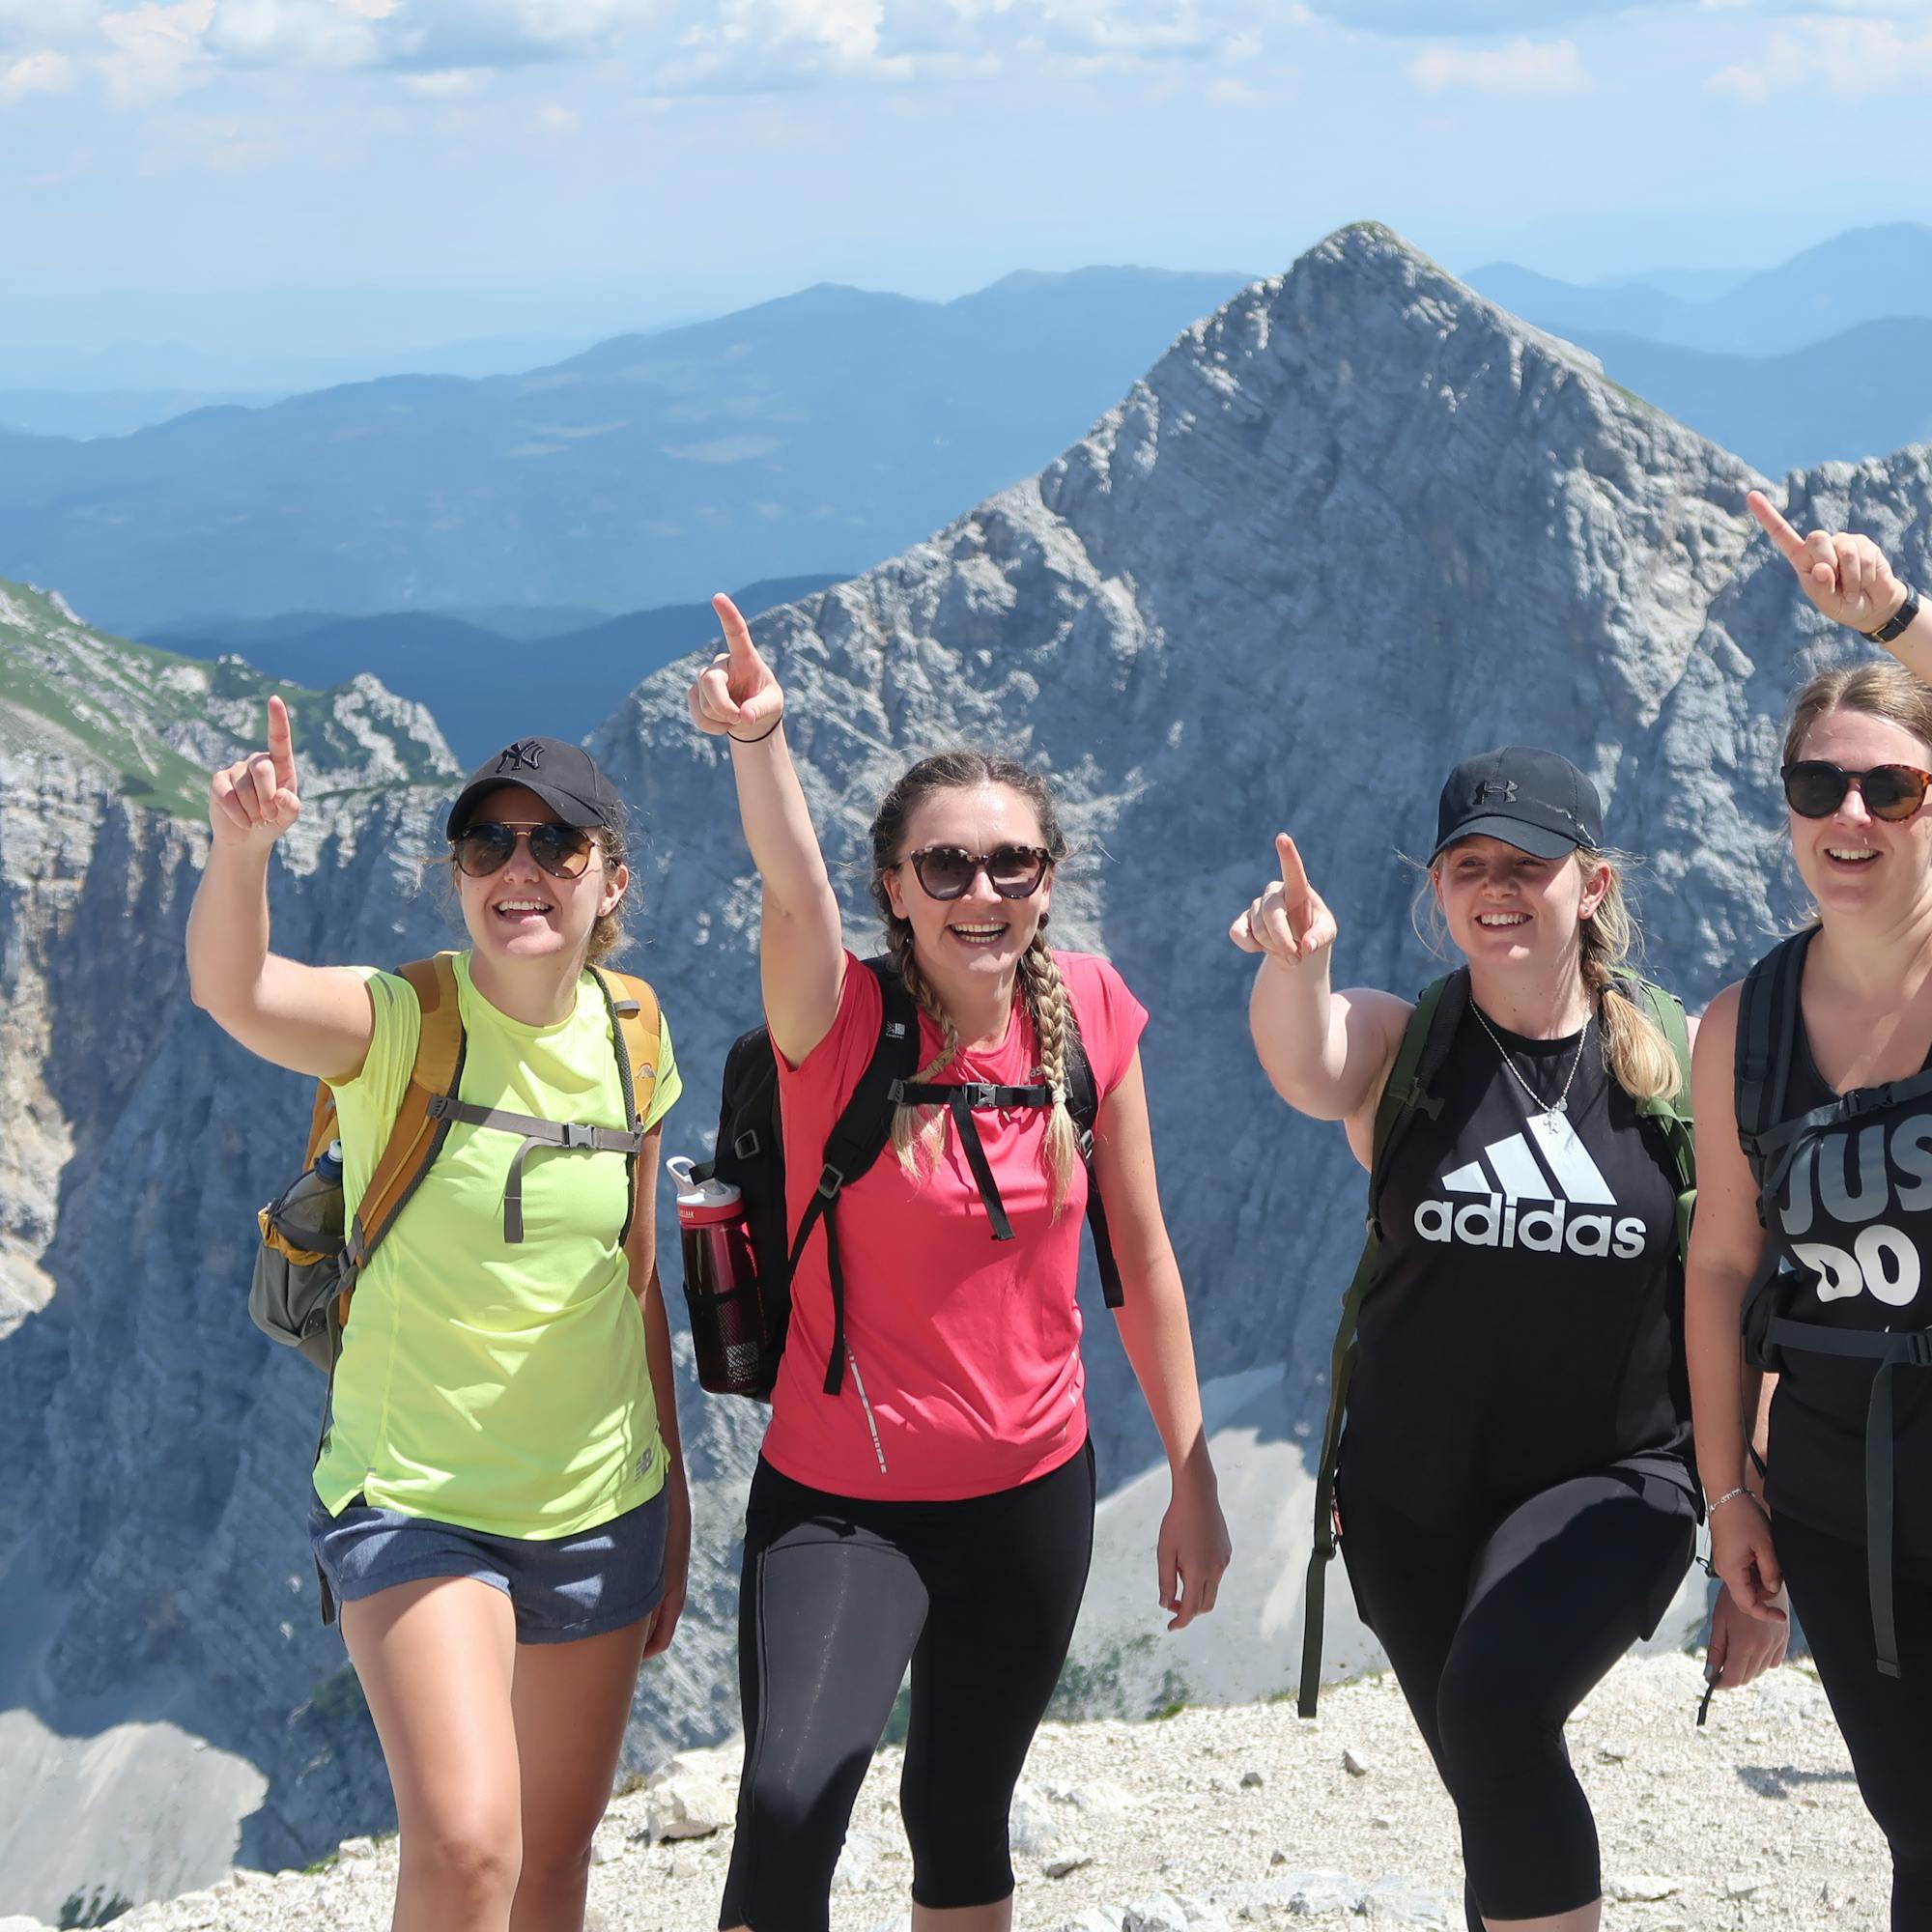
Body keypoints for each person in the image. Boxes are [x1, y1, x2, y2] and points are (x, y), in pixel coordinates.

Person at [686, 595, 1232, 1932]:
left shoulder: (1093, 1011)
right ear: (895, 889)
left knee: (963, 1817)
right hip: (841, 1507)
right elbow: (791, 886)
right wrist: (763, 743)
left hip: (1031, 1497)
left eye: (1013, 867)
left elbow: (1141, 1258)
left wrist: (1195, 1476)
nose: (981, 895)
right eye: (945, 870)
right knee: (789, 1807)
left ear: (1048, 878)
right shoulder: (840, 1020)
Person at [1232, 750, 1782, 1932]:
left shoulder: (1676, 1069)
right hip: (1404, 1496)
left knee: (1492, 1710)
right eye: (1465, 864)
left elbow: (1743, 1302)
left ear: (1588, 884)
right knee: (1494, 1776)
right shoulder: (1406, 1046)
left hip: (1615, 1483)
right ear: (1435, 888)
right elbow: (1303, 1058)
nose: (1494, 886)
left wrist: (1748, 1505)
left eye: (1525, 864)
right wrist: (1299, 960)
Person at [186, 705, 688, 1932]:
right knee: (468, 1848)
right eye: (486, 845)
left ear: (608, 877)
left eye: (554, 845)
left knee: (553, 1868)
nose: (518, 868)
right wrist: (242, 849)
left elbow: (634, 1277)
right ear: (459, 875)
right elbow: (237, 991)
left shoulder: (634, 1032)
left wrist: (668, 1499)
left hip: (597, 1502)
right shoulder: (399, 1021)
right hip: (413, 1496)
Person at [1689, 490, 1932, 1932]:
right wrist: (1731, 1501)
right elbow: (1721, 1267)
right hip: (1848, 1504)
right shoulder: (1745, 1028)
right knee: (1913, 1825)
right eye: (1818, 787)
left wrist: (1896, 625)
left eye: (1891, 786)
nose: (1851, 815)